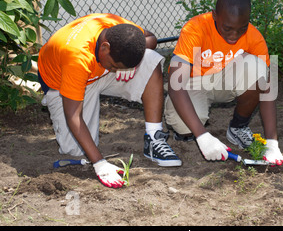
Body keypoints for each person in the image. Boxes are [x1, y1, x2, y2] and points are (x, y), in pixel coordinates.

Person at [38, 13, 181, 189]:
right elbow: (72, 116)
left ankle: (153, 137)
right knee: (75, 152)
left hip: (98, 73)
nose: (115, 69)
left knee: (149, 59)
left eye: (117, 67)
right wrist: (99, 163)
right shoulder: (77, 56)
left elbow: (151, 38)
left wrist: (128, 65)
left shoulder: (117, 28)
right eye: (114, 65)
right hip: (63, 84)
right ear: (104, 47)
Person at [165, 0, 283, 165]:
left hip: (224, 79)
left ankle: (238, 127)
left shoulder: (254, 36)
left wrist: (272, 144)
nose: (234, 36)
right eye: (227, 28)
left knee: (260, 68)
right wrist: (203, 136)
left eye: (241, 29)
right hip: (193, 83)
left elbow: (267, 88)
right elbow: (176, 85)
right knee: (185, 127)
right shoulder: (195, 28)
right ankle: (190, 128)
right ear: (214, 15)